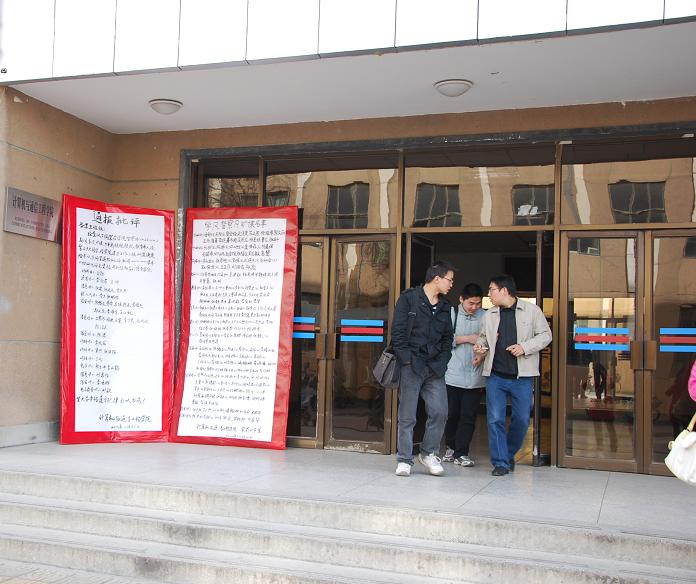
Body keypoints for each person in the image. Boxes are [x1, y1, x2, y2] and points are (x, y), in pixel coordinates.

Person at [474, 274, 551, 476]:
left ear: (504, 291)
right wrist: (480, 348)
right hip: (495, 376)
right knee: (495, 419)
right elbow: (483, 338)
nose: (489, 294)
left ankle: (507, 454)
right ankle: (500, 462)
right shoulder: (489, 315)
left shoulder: (532, 311)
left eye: (491, 290)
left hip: (522, 377)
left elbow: (546, 335)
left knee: (522, 419)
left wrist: (524, 347)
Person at [392, 261, 455, 477]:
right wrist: (407, 361)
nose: (451, 284)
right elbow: (398, 333)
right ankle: (404, 459)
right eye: (449, 280)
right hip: (412, 364)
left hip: (435, 367)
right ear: (437, 279)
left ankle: (428, 453)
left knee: (440, 412)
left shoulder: (446, 306)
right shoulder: (409, 298)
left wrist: (443, 362)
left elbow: (448, 338)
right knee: (407, 415)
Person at [442, 283, 486, 467]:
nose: (474, 307)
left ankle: (462, 452)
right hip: (452, 374)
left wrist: (482, 352)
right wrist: (468, 338)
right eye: (471, 303)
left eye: (478, 303)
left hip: (476, 377)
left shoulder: (486, 316)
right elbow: (442, 340)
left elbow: (491, 340)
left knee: (468, 416)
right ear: (461, 299)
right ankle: (450, 447)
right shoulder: (451, 314)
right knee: (451, 414)